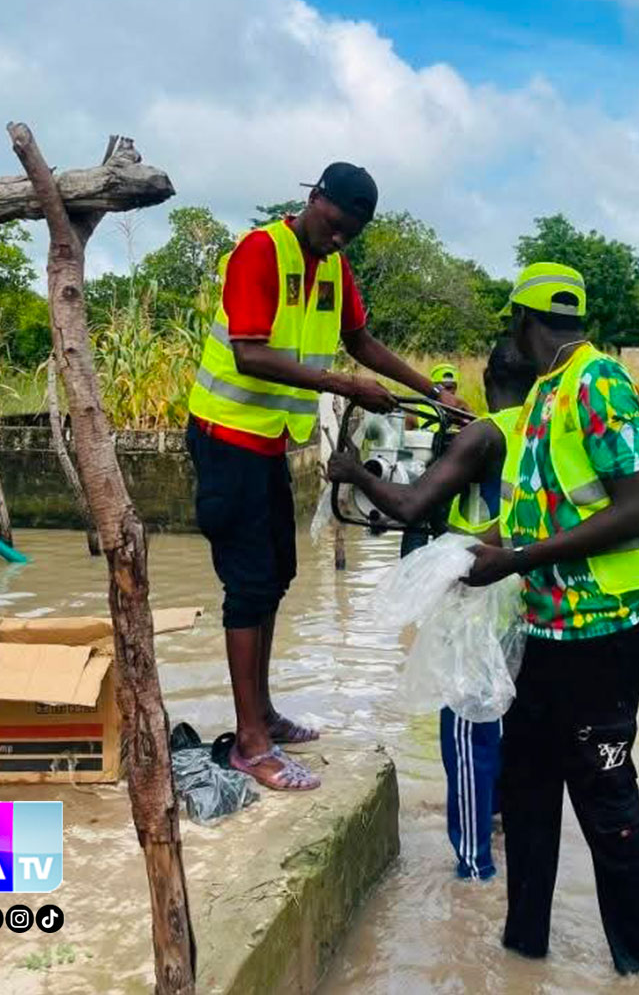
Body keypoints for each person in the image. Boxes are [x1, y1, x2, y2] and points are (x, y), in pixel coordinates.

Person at [187, 161, 463, 791]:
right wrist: (343, 386)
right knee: (248, 587)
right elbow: (249, 353)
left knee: (276, 577)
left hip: (269, 446)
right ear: (313, 200)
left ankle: (262, 716)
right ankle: (250, 744)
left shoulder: (334, 267)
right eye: (335, 225)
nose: (339, 241)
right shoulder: (261, 250)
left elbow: (360, 340)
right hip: (226, 440)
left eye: (352, 234)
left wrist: (430, 391)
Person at [464, 262, 639, 976]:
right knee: (525, 790)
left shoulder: (601, 383)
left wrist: (517, 561)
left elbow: (635, 509)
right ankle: (523, 954)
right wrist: (472, 551)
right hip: (548, 631)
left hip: (608, 628)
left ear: (524, 324)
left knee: (604, 790)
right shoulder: (541, 402)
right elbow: (537, 514)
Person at [329, 338, 536, 879]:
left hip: (479, 600)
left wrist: (356, 475)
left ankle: (474, 872)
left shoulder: (485, 435)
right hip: (535, 597)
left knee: (468, 731)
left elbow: (410, 504)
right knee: (515, 726)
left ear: (487, 382)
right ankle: (505, 832)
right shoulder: (548, 432)